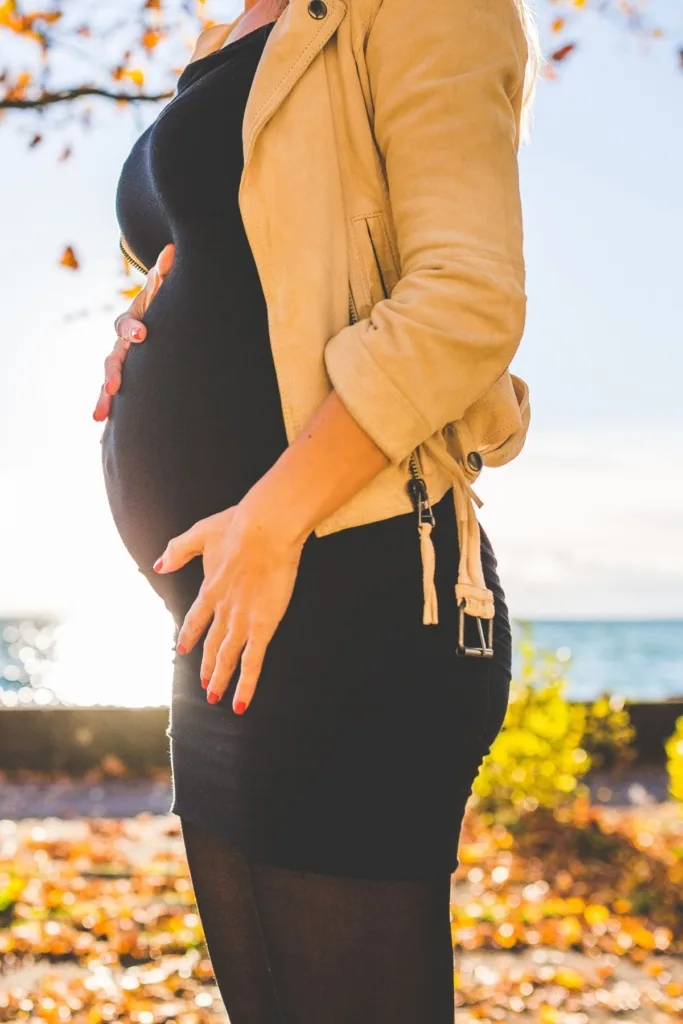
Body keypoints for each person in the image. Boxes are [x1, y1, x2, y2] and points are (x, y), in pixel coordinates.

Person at [95, 0, 540, 1019]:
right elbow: (248, 255)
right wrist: (145, 317)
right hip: (221, 620)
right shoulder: (229, 31)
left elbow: (465, 295)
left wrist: (270, 518)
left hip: (355, 587)